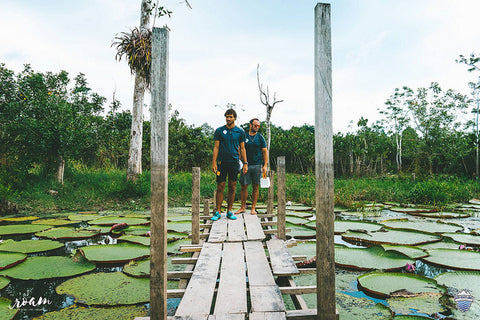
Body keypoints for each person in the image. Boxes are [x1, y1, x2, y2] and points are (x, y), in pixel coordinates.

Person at [211, 109, 248, 221]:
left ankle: (229, 211)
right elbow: (216, 147)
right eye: (227, 116)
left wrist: (245, 163)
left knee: (232, 186)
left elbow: (242, 148)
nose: (228, 119)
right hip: (222, 163)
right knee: (220, 186)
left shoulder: (240, 132)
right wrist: (214, 162)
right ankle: (217, 211)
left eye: (231, 117)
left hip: (234, 163)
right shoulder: (219, 131)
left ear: (235, 118)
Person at [235, 118, 268, 215]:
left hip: (257, 165)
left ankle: (253, 208)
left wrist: (265, 165)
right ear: (250, 125)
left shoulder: (260, 137)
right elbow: (240, 149)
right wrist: (239, 163)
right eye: (255, 125)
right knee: (244, 186)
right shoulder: (244, 136)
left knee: (256, 186)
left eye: (258, 126)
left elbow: (265, 151)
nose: (256, 127)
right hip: (246, 165)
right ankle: (242, 207)